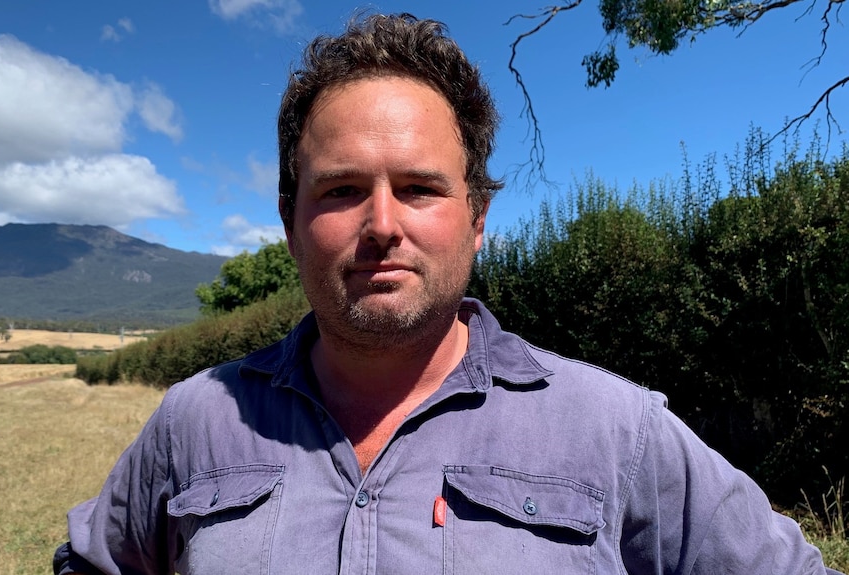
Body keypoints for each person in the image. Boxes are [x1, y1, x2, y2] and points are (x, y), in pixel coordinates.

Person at [54, 13, 843, 575]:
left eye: (422, 187)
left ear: (477, 219)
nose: (382, 224)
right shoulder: (194, 422)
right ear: (291, 223)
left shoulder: (616, 432)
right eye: (340, 190)